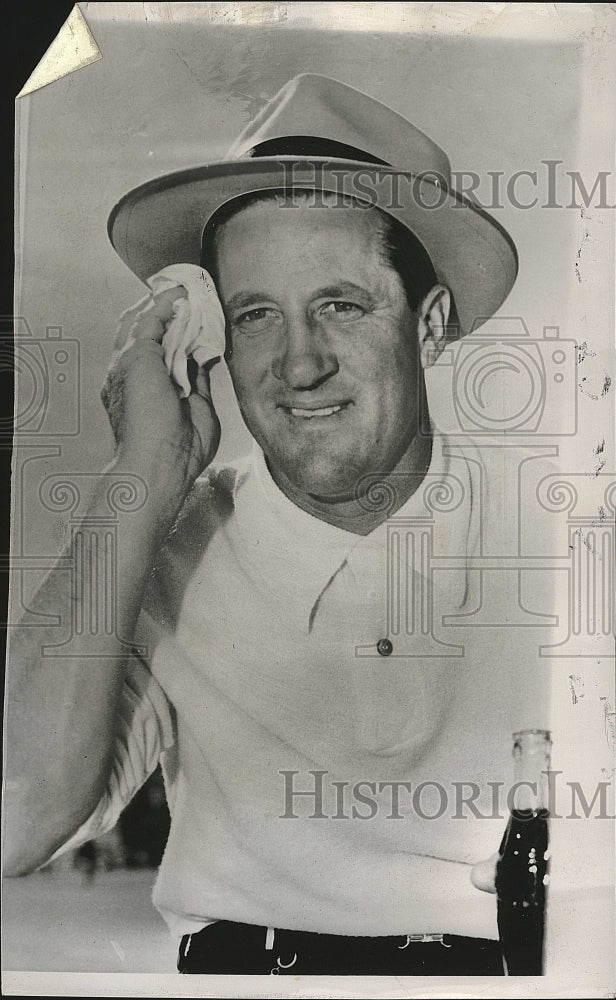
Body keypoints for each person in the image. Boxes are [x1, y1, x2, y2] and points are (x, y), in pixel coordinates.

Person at [5, 74, 548, 976]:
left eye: (340, 305)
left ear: (431, 325)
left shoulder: (555, 531)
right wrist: (142, 473)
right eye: (257, 315)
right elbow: (11, 822)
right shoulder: (172, 545)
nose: (298, 364)